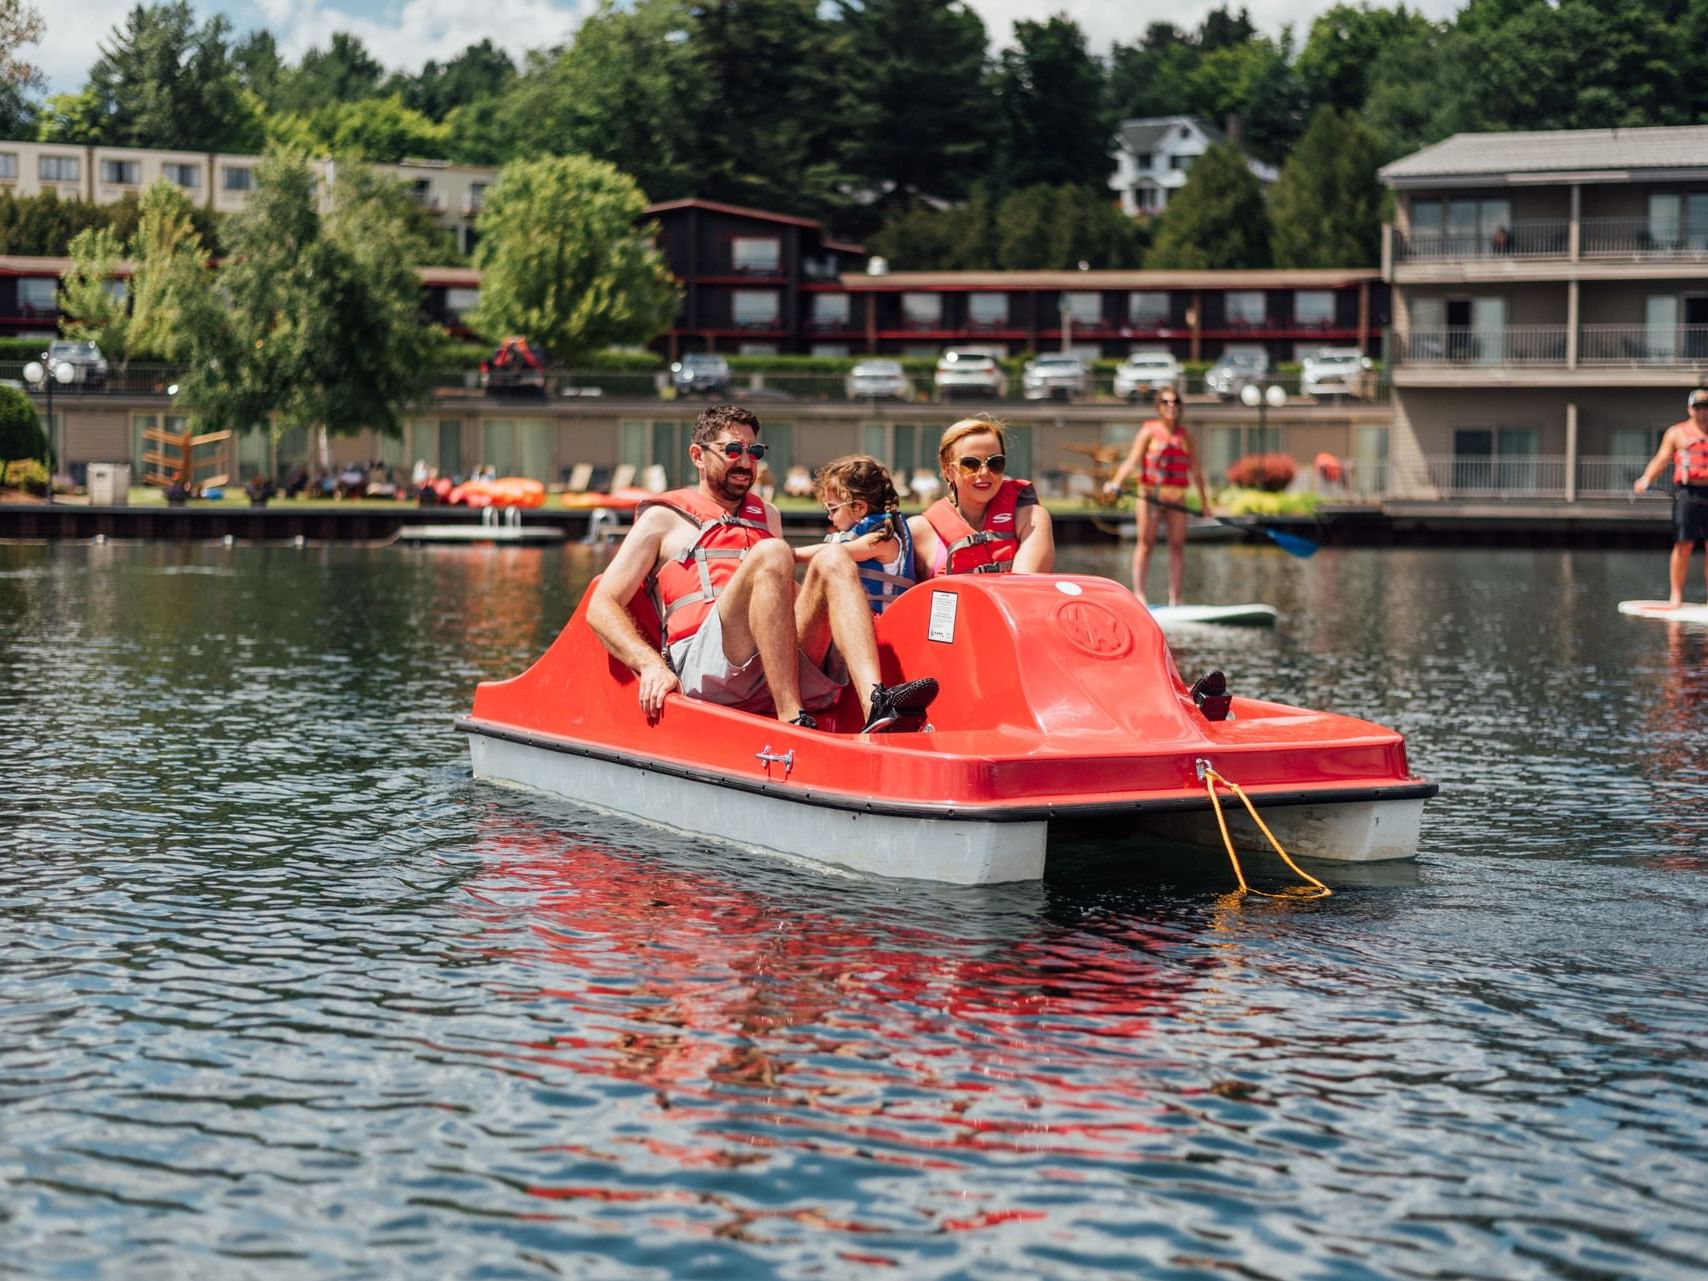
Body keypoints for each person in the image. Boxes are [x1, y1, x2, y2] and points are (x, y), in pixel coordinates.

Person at [587, 404, 936, 732]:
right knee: (772, 551)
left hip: (777, 659)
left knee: (833, 557)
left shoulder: (768, 515)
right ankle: (791, 719)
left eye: (754, 453)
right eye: (732, 451)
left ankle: (874, 702)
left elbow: (781, 596)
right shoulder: (662, 519)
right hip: (708, 668)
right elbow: (602, 605)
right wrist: (649, 666)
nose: (746, 462)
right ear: (698, 455)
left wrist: (835, 610)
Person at [1103, 389, 1212, 605]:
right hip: (1150, 497)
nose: (1171, 406)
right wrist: (1115, 483)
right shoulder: (1148, 430)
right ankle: (1140, 595)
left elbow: (1196, 470)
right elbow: (1132, 460)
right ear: (1159, 406)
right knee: (1145, 543)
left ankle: (1175, 598)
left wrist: (1204, 504)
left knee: (1177, 546)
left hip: (1176, 498)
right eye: (1166, 402)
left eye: (1175, 402)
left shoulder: (1185, 435)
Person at [908, 416, 1054, 577]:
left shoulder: (1032, 518)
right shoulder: (918, 531)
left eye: (995, 463)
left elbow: (1022, 590)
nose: (984, 473)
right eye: (970, 464)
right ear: (947, 469)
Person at [804, 454, 915, 614]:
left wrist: (788, 554)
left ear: (859, 508)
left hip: (878, 627)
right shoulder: (861, 536)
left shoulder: (882, 540)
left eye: (833, 509)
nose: (829, 516)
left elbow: (833, 553)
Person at [1633, 388, 1708, 607]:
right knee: (1683, 544)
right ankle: (1676, 597)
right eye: (1698, 408)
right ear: (1689, 409)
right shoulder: (1677, 433)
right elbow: (1661, 459)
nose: (1703, 413)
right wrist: (1646, 478)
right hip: (1687, 493)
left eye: (1706, 408)